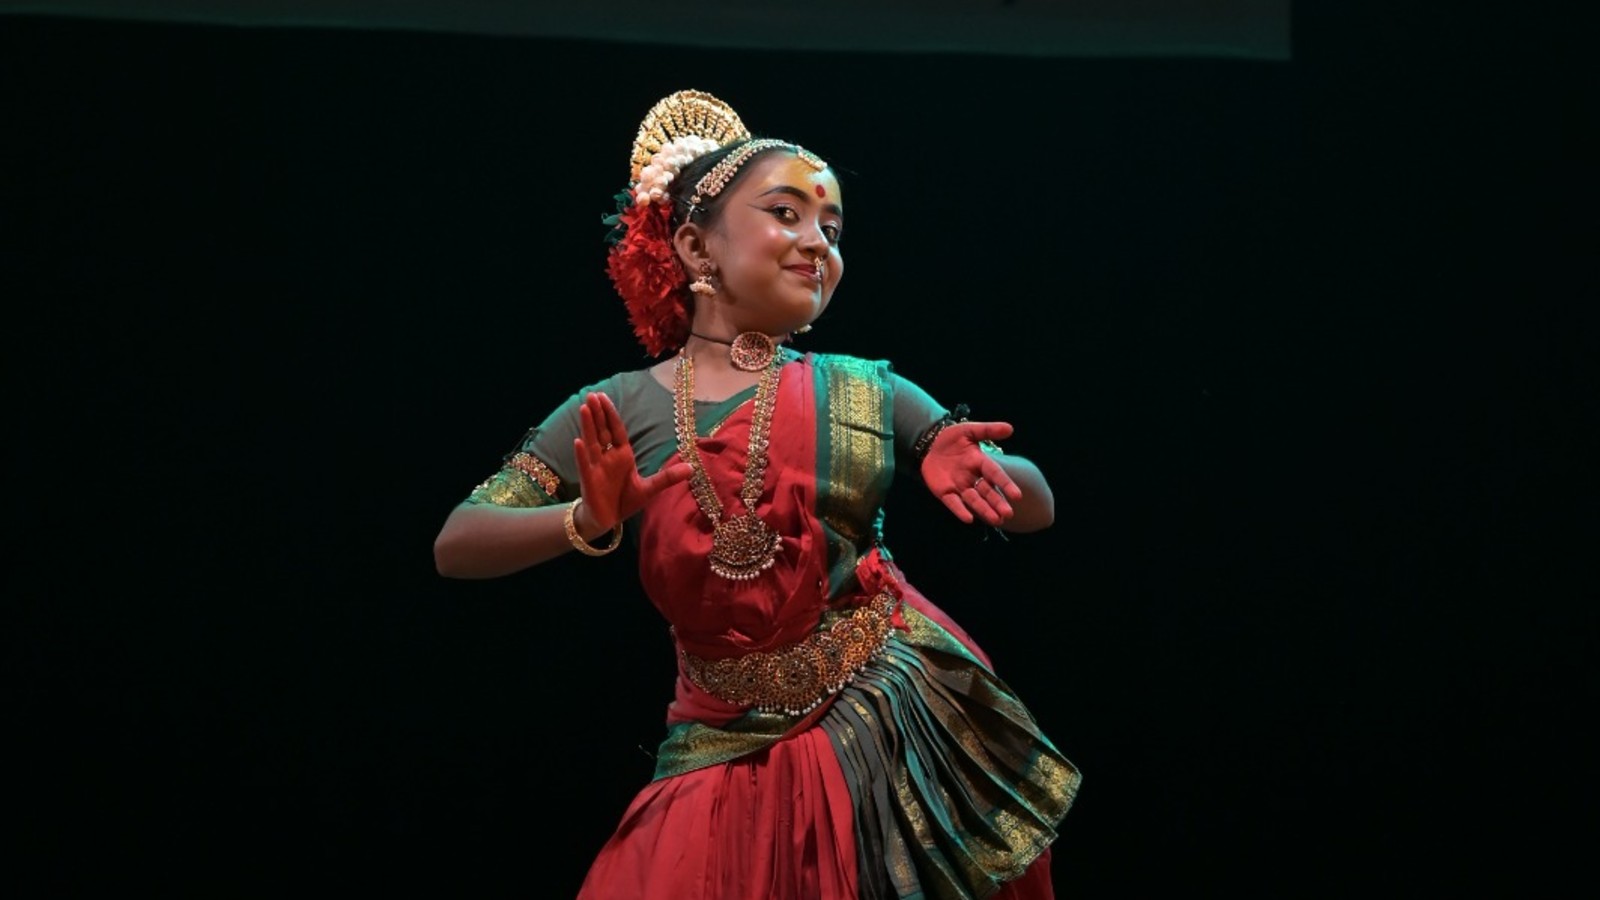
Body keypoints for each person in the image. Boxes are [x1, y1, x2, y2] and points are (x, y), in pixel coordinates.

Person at [433, 88, 1080, 899]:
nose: (817, 243)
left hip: (880, 733)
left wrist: (983, 472)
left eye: (832, 230)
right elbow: (458, 543)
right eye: (786, 214)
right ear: (695, 246)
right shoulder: (619, 407)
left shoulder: (862, 389)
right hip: (713, 746)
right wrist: (584, 520)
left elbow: (1037, 504)